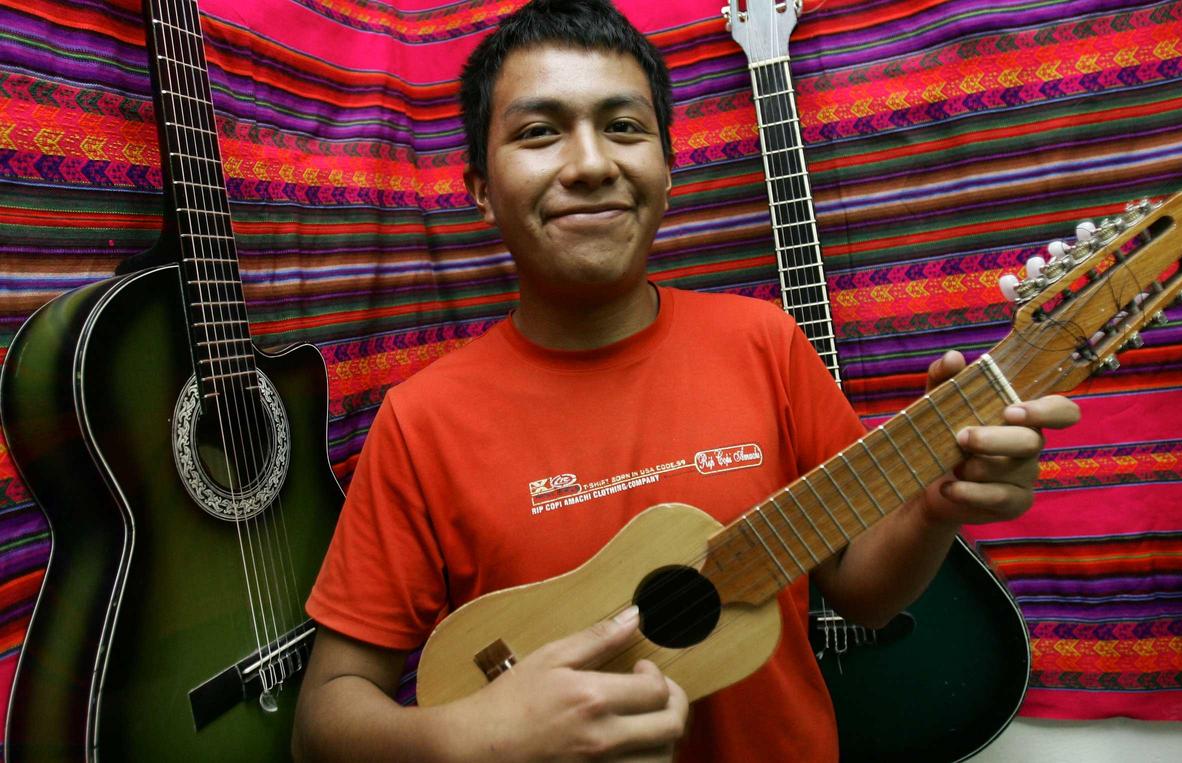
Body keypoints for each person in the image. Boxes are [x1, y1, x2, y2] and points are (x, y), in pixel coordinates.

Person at [292, 1, 1081, 760]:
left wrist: (934, 506)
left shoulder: (765, 343)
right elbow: (324, 719)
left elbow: (863, 594)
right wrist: (473, 742)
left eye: (624, 127)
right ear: (479, 189)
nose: (591, 164)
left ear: (667, 170)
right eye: (539, 132)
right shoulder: (421, 421)